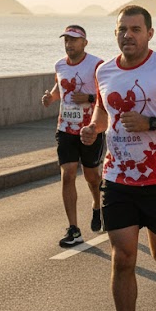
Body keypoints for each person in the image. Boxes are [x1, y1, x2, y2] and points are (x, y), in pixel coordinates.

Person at [79, 6, 156, 311]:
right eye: (122, 29)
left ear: (150, 33)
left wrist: (152, 123)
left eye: (135, 29)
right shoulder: (104, 71)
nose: (128, 35)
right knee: (122, 257)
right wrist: (95, 127)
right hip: (117, 178)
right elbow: (105, 111)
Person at [42, 24, 104, 247]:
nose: (69, 44)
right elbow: (60, 88)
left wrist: (88, 98)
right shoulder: (59, 64)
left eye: (74, 40)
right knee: (67, 174)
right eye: (66, 40)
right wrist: (51, 97)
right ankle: (74, 229)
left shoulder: (97, 65)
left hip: (91, 130)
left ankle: (97, 205)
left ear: (84, 43)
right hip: (65, 129)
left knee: (91, 177)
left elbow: (105, 96)